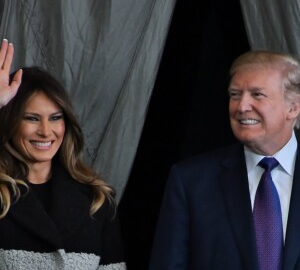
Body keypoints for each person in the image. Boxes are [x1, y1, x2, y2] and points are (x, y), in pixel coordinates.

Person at [149, 50, 300, 270]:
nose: (241, 106)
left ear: (293, 107)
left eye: (257, 94)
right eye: (235, 94)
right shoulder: (191, 181)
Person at [0, 39, 126, 269]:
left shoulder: (97, 200)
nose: (46, 131)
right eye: (32, 118)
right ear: (10, 122)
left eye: (55, 118)